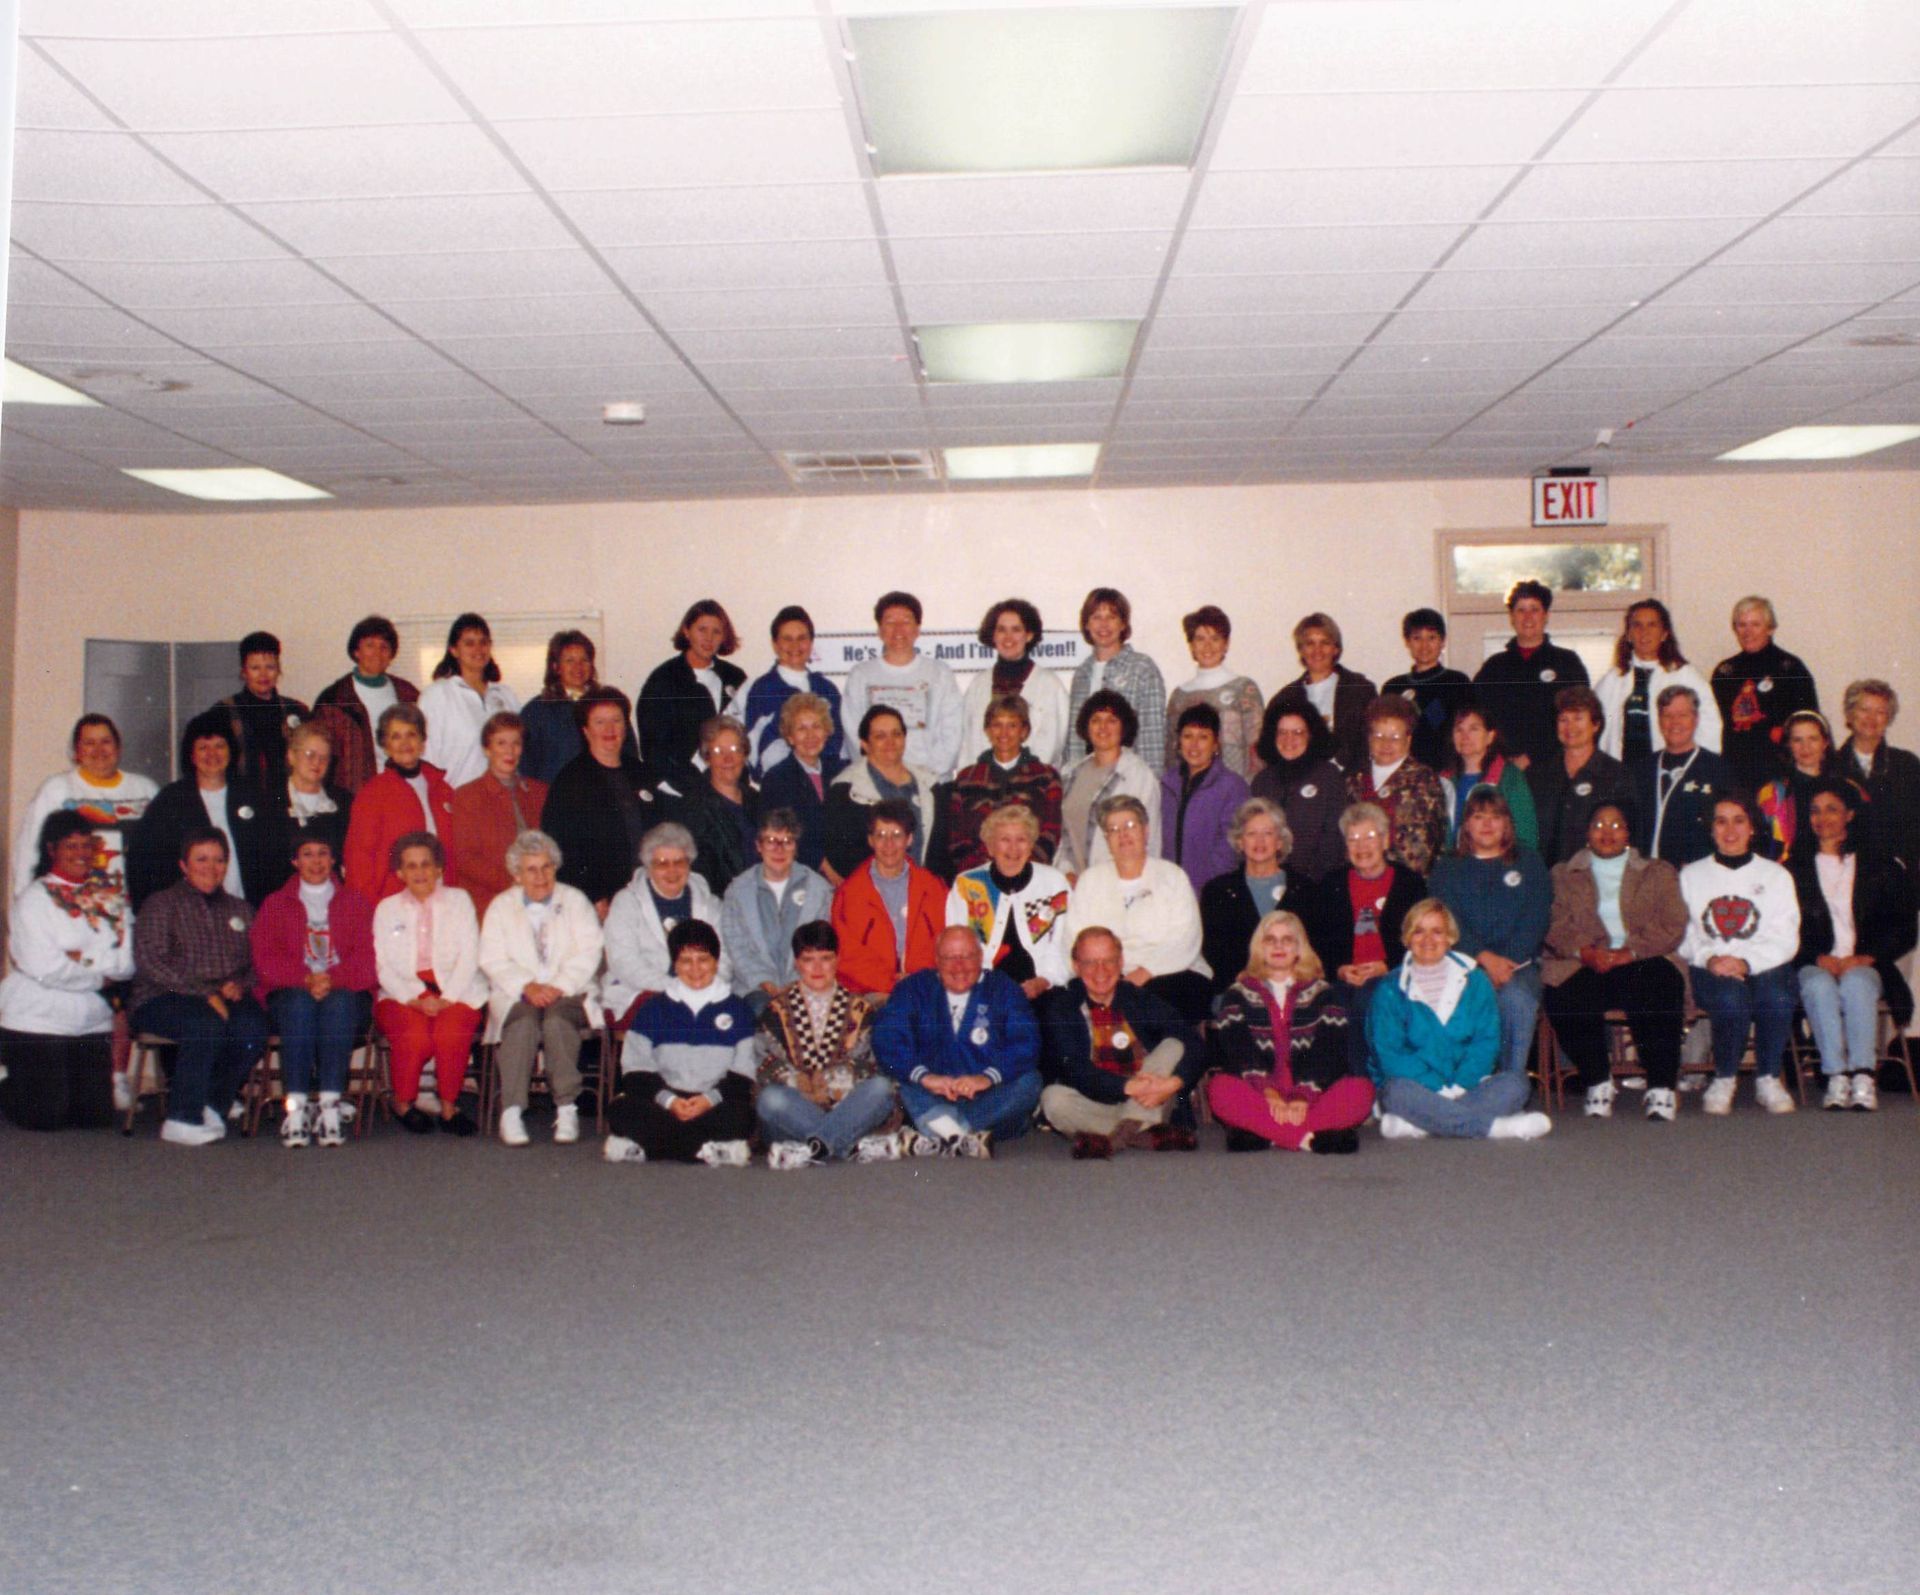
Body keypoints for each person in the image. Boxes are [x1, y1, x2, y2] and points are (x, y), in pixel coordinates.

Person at [1539, 805, 1689, 1121]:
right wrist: (1585, 951)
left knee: (1663, 983)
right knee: (1560, 993)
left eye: (1617, 825)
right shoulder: (1562, 874)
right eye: (1599, 825)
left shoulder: (1658, 871)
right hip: (1587, 962)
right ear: (1586, 832)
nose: (1607, 833)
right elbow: (1555, 923)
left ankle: (1661, 1086)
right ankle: (1598, 1080)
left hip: (1642, 957)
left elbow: (1672, 924)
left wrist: (1629, 952)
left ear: (1629, 833)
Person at [129, 827, 271, 1146]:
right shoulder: (161, 903)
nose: (211, 867)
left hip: (224, 996)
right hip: (162, 996)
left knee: (253, 1028)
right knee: (205, 1024)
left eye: (219, 860)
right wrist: (204, 993)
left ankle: (212, 1103)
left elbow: (256, 963)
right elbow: (151, 961)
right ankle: (181, 1118)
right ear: (184, 865)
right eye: (201, 859)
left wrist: (240, 984)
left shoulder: (240, 909)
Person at [1369, 899, 1550, 1141]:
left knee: (1516, 1084)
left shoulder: (1476, 981)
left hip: (1467, 1086)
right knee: (1397, 1092)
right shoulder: (1389, 988)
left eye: (1437, 931)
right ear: (1407, 938)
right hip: (1414, 1088)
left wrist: (1459, 1086)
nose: (1428, 940)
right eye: (1419, 931)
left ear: (1450, 937)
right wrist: (1437, 1088)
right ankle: (1498, 1128)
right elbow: (1390, 1054)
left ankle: (1422, 1124)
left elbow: (1486, 1044)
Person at [0, 813, 134, 1130]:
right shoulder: (34, 900)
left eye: (87, 845)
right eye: (71, 846)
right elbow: (42, 966)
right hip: (37, 1018)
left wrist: (78, 958)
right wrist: (100, 971)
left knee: (94, 1118)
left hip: (90, 1021)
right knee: (45, 1117)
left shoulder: (111, 897)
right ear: (52, 849)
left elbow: (127, 963)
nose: (81, 853)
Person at [1789, 778, 1916, 1112]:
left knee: (1857, 986)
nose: (1822, 818)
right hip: (1814, 963)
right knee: (1819, 988)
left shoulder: (1880, 867)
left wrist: (1867, 957)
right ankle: (1835, 1076)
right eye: (1815, 811)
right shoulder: (1794, 869)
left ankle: (1862, 1076)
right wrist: (1816, 957)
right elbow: (1783, 930)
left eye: (1832, 809)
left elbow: (1905, 927)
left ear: (1850, 815)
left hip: (1865, 963)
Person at [478, 829, 605, 1147]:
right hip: (517, 994)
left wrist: (559, 987)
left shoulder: (575, 900)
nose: (540, 876)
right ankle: (511, 1110)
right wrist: (526, 987)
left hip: (570, 992)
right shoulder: (500, 906)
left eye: (546, 867)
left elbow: (590, 951)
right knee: (523, 1023)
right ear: (516, 873)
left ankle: (566, 1107)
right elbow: (492, 958)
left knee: (556, 1021)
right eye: (531, 869)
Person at [1207, 911, 1371, 1154]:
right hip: (1258, 1093)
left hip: (1313, 1094)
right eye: (1270, 939)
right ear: (1259, 948)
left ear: (1299, 948)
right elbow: (1239, 1051)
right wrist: (1269, 1094)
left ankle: (1269, 1134)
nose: (1279, 946)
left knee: (1360, 1091)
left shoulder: (1325, 993)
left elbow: (1329, 1052)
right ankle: (1308, 1138)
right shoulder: (1236, 994)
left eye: (1287, 939)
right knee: (1220, 1089)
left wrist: (1303, 1097)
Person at [249, 834, 376, 1149]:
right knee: (299, 1006)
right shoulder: (275, 903)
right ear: (295, 861)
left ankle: (330, 1106)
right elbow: (264, 959)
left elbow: (368, 958)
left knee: (339, 1004)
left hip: (343, 990)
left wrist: (331, 978)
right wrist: (306, 978)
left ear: (333, 860)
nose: (316, 861)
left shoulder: (356, 902)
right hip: (292, 991)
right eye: (307, 854)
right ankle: (296, 1107)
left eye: (323, 853)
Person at [871, 926, 1044, 1156]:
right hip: (931, 1093)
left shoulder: (1004, 989)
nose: (959, 966)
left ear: (981, 957)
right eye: (950, 958)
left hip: (988, 1098)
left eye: (967, 956)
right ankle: (963, 1137)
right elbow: (887, 1038)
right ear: (936, 960)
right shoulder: (913, 988)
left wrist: (987, 1078)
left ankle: (943, 1133)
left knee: (1030, 1082)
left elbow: (1026, 1043)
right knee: (900, 1082)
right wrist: (925, 1077)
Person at [1679, 796, 1801, 1117]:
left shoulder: (1776, 876)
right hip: (1710, 966)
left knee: (1776, 995)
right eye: (1721, 821)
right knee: (1731, 998)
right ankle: (1724, 1079)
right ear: (1710, 828)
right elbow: (1684, 934)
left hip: (1764, 964)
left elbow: (1786, 937)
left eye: (1738, 820)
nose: (1730, 829)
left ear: (1752, 828)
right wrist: (1710, 958)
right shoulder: (1691, 875)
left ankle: (1768, 1078)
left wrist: (1746, 962)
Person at [603, 919, 757, 1166]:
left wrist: (708, 1100)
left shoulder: (738, 1010)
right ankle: (707, 1151)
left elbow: (743, 1075)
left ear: (716, 962)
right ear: (674, 965)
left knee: (742, 1117)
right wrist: (670, 1101)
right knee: (621, 1110)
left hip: (714, 1104)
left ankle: (651, 1148)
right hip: (665, 1102)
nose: (695, 968)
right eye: (686, 960)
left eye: (703, 959)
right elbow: (634, 1072)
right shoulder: (652, 1009)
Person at [1039, 926, 1201, 1157]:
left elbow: (1192, 1040)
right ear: (1076, 966)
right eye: (1090, 962)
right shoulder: (1062, 1007)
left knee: (1173, 1045)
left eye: (1109, 961)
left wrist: (1173, 1084)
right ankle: (1140, 1133)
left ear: (1121, 962)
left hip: (1153, 1098)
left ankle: (1114, 1139)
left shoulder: (1139, 998)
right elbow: (1075, 1069)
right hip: (1098, 1103)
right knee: (1053, 1099)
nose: (1100, 971)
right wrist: (1128, 1087)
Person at [1430, 788, 1551, 1081]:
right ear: (1465, 824)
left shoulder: (1530, 863)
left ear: (1507, 823)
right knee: (1469, 994)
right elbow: (1448, 922)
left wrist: (1505, 962)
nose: (1487, 824)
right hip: (1464, 965)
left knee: (1516, 998)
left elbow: (1536, 919)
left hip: (1519, 967)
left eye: (1495, 817)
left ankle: (1510, 1086)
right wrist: (1484, 959)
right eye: (1478, 816)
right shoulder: (1447, 869)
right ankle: (1465, 1082)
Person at [1300, 802, 1428, 1077]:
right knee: (1334, 1003)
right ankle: (1348, 1087)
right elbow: (1319, 938)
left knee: (1368, 1000)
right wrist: (1340, 968)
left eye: (1370, 837)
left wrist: (1386, 965)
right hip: (1346, 975)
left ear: (1385, 840)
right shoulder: (1331, 884)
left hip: (1396, 973)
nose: (1362, 846)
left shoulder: (1409, 884)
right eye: (1353, 838)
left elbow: (1422, 937)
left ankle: (1371, 1083)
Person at [753, 922, 895, 1167]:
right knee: (770, 1099)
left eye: (825, 958)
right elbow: (765, 1063)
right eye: (808, 959)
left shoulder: (860, 1009)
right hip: (794, 1111)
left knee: (881, 1088)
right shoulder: (775, 1010)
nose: (817, 968)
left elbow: (868, 1064)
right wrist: (799, 1083)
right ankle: (844, 1143)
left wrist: (828, 1085)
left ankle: (817, 1146)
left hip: (847, 1104)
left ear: (837, 960)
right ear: (797, 963)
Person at [371, 832, 485, 1136]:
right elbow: (383, 965)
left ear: (439, 869)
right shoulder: (386, 909)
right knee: (415, 1037)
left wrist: (447, 998)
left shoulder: (460, 900)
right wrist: (415, 997)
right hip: (402, 993)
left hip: (456, 989)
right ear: (400, 872)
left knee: (450, 1033)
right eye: (410, 866)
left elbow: (469, 955)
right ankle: (404, 1103)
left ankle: (449, 1107)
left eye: (426, 864)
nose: (419, 872)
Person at [1068, 795, 1212, 1024]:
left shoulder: (1172, 876)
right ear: (1106, 839)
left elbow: (1187, 939)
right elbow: (1075, 937)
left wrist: (1144, 972)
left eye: (1130, 826)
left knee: (1151, 1005)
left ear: (1145, 831)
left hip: (1171, 971)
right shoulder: (1090, 880)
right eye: (1114, 829)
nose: (1123, 835)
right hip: (1104, 975)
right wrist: (1105, 974)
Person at [126, 708, 274, 910]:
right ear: (192, 756)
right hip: (188, 918)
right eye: (203, 747)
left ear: (231, 752)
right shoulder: (171, 800)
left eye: (219, 746)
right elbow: (141, 862)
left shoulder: (253, 796)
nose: (212, 754)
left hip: (247, 913)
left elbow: (272, 861)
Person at [544, 685, 672, 917]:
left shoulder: (642, 773)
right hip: (600, 902)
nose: (610, 729)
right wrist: (592, 896)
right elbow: (560, 849)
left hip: (650, 892)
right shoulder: (570, 781)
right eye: (600, 722)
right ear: (585, 729)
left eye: (616, 720)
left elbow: (664, 832)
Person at [11, 713, 157, 899]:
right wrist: (25, 903)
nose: (99, 750)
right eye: (89, 743)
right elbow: (28, 852)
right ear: (77, 751)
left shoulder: (146, 789)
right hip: (73, 907)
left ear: (118, 747)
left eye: (106, 741)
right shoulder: (57, 789)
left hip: (135, 906)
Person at [601, 822, 733, 1028]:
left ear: (689, 864)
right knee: (677, 1014)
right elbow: (624, 963)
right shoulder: (626, 902)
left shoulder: (710, 904)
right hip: (643, 991)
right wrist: (677, 988)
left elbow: (724, 956)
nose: (672, 871)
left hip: (704, 989)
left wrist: (706, 985)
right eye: (662, 863)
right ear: (648, 866)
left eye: (679, 862)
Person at [946, 804, 1074, 1002]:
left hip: (1045, 987)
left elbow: (1066, 943)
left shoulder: (1054, 883)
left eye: (1021, 839)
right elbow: (957, 949)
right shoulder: (967, 885)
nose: (1013, 848)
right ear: (990, 846)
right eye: (1004, 839)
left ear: (1031, 845)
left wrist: (1044, 980)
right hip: (983, 989)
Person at [342, 703, 459, 903]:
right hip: (394, 904)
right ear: (386, 746)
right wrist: (374, 909)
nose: (405, 742)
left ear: (422, 742)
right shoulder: (372, 794)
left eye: (411, 734)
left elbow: (455, 852)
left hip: (442, 899)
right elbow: (358, 862)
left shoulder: (443, 790)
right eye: (396, 736)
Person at [841, 590, 963, 781]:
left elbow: (953, 733)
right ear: (879, 630)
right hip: (876, 782)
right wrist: (880, 773)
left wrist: (925, 775)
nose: (898, 630)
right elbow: (853, 732)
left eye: (906, 621)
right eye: (890, 622)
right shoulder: (861, 675)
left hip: (931, 782)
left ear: (917, 629)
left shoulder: (939, 673)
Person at [721, 808, 832, 1014]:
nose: (779, 849)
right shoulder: (737, 891)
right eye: (771, 840)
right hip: (754, 988)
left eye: (787, 841)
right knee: (763, 1011)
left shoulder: (820, 889)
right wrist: (764, 981)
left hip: (807, 983)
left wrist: (796, 983)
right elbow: (736, 946)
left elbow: (821, 945)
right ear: (758, 846)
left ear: (796, 847)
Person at [829, 801, 945, 998]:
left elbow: (944, 941)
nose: (888, 844)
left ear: (909, 839)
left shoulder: (933, 888)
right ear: (870, 840)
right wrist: (889, 984)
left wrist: (915, 979)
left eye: (897, 835)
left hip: (924, 987)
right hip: (870, 991)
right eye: (880, 835)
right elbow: (846, 954)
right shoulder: (850, 893)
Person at [1472, 579, 1591, 769]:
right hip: (1502, 770)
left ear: (1546, 615)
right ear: (1512, 617)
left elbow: (1582, 719)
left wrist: (1533, 756)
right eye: (1521, 610)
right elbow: (1478, 719)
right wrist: (1500, 758)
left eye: (1534, 609)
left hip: (1555, 769)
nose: (1527, 617)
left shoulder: (1567, 663)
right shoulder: (1494, 668)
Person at [942, 694, 1064, 877]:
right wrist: (982, 870)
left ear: (1024, 731)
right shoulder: (966, 779)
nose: (1004, 733)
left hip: (1032, 875)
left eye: (1012, 725)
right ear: (987, 730)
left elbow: (1051, 832)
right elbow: (956, 836)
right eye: (997, 725)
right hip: (978, 877)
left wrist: (1024, 867)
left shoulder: (1046, 777)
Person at [1711, 595, 1820, 794]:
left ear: (1770, 628)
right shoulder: (1724, 673)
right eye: (1742, 625)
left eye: (1755, 624)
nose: (1748, 632)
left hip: (1780, 775)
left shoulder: (1791, 670)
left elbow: (1809, 726)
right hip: (1735, 775)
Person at [1595, 600, 1722, 768]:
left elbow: (1710, 727)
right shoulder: (1612, 680)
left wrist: (1700, 770)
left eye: (1652, 625)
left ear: (1664, 633)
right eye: (1637, 625)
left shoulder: (1686, 677)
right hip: (1621, 774)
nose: (1644, 632)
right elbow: (1594, 729)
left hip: (1672, 771)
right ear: (1628, 634)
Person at [449, 711, 548, 924]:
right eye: (501, 743)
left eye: (516, 743)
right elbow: (465, 858)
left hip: (541, 899)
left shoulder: (540, 792)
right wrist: (514, 883)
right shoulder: (467, 796)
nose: (509, 751)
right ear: (487, 749)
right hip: (491, 905)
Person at [821, 705, 938, 879]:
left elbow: (938, 852)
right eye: (880, 736)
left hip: (922, 893)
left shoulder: (929, 785)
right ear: (864, 744)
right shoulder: (844, 790)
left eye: (896, 734)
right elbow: (837, 854)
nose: (890, 741)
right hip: (867, 896)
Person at [637, 599, 747, 782]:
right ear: (687, 631)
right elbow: (653, 748)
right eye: (702, 629)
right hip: (682, 791)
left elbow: (744, 737)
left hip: (728, 787)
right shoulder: (663, 679)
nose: (709, 638)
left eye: (716, 632)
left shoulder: (735, 677)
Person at [1058, 689, 1162, 880]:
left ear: (1124, 728)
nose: (1103, 727)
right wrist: (1067, 872)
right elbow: (1064, 835)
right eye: (1096, 720)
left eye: (1112, 720)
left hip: (1117, 882)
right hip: (1074, 884)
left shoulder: (1139, 776)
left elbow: (1151, 839)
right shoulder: (1070, 772)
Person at [310, 615, 420, 795]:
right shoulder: (334, 699)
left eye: (384, 647)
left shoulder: (409, 695)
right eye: (370, 645)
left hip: (404, 792)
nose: (377, 652)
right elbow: (318, 755)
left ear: (391, 655)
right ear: (356, 651)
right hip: (353, 796)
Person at [1200, 798, 1298, 996]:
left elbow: (1313, 947)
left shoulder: (1304, 889)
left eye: (1267, 834)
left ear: (1279, 841)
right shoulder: (1216, 891)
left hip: (1294, 988)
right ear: (1239, 841)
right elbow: (1214, 951)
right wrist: (1246, 977)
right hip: (1237, 990)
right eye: (1251, 834)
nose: (1259, 841)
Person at [1629, 686, 1735, 867]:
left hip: (1695, 876)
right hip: (1645, 875)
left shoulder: (1718, 769)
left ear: (1696, 719)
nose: (1674, 723)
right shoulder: (1641, 770)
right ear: (1659, 721)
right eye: (1667, 716)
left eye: (1682, 715)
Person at [1527, 686, 1634, 865]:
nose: (1570, 727)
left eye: (1578, 718)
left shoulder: (1617, 776)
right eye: (1563, 719)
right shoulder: (1536, 776)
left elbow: (1630, 836)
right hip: (1544, 878)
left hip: (1594, 880)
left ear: (1595, 724)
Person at [960, 598, 1070, 770]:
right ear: (993, 635)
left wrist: (1020, 780)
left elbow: (1052, 746)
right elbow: (967, 744)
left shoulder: (1049, 685)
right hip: (982, 787)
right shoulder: (978, 685)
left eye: (1016, 630)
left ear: (1029, 635)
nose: (1008, 637)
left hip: (1033, 786)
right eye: (1001, 630)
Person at [1343, 696, 1446, 876]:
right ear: (1369, 738)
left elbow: (1423, 847)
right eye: (1379, 735)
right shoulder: (1354, 779)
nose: (1386, 744)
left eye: (1395, 737)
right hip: (1357, 876)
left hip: (1404, 880)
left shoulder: (1423, 779)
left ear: (1408, 740)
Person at [1066, 587, 1168, 767]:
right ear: (1087, 624)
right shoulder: (1082, 674)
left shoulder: (1142, 669)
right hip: (1089, 778)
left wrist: (1148, 788)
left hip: (1129, 780)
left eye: (1111, 617)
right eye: (1096, 617)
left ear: (1123, 624)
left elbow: (1153, 740)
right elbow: (1076, 740)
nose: (1103, 625)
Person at [420, 612, 521, 790]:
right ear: (454, 650)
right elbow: (427, 760)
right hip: (457, 801)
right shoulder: (437, 695)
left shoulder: (506, 695)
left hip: (503, 800)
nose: (478, 649)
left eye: (483, 642)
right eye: (469, 643)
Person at [520, 629, 636, 784]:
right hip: (557, 797)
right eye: (569, 661)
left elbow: (630, 755)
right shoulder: (536, 711)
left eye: (584, 660)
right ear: (556, 667)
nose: (578, 667)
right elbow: (524, 766)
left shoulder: (610, 706)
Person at [743, 605, 846, 777]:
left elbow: (840, 744)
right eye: (787, 638)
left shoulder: (827, 689)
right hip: (781, 785)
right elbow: (754, 746)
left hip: (825, 784)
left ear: (811, 642)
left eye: (802, 638)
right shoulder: (762, 688)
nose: (795, 645)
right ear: (775, 644)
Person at [1249, 700, 1346, 883]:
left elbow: (1334, 840)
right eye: (1282, 733)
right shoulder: (1262, 781)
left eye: (1297, 733)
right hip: (1269, 880)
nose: (1289, 740)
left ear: (1311, 736)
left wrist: (1306, 883)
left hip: (1317, 883)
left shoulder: (1328, 777)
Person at [1268, 612, 1376, 773]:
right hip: (1299, 780)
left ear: (1335, 648)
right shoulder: (1284, 698)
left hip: (1351, 782)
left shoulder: (1360, 690)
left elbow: (1371, 742)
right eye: (1310, 643)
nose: (1317, 650)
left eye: (1324, 643)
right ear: (1301, 650)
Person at [1163, 605, 1264, 779]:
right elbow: (1172, 756)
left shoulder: (1244, 689)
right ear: (1191, 645)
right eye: (1200, 639)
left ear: (1226, 644)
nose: (1207, 646)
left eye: (1215, 638)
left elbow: (1258, 749)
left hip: (1237, 791)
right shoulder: (1179, 696)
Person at [1160, 702, 1250, 895]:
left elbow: (1229, 850)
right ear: (1178, 741)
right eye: (1187, 736)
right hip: (1169, 892)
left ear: (1216, 743)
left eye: (1203, 737)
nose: (1194, 745)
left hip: (1212, 893)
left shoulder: (1232, 787)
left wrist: (1204, 892)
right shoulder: (1166, 783)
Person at [757, 692, 847, 878]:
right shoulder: (776, 779)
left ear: (826, 731)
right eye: (801, 729)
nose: (810, 735)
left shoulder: (841, 772)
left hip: (843, 871)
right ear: (790, 737)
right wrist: (830, 873)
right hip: (800, 875)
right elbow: (786, 836)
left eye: (816, 726)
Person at [1837, 678, 1920, 875]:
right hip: (1845, 875)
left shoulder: (1906, 764)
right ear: (1850, 714)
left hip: (1897, 876)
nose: (1871, 718)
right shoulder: (1832, 766)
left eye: (1880, 711)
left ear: (1888, 718)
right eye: (1864, 709)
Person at [1757, 710, 1859, 863]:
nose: (1806, 747)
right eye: (1798, 740)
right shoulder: (1773, 793)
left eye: (1813, 739)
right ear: (1789, 745)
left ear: (1825, 743)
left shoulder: (1848, 788)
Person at [1438, 699, 1538, 854]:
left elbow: (1526, 838)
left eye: (1474, 729)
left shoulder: (1510, 778)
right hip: (1451, 871)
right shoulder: (1443, 781)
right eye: (1459, 730)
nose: (1465, 736)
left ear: (1490, 736)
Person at [216, 629, 311, 792]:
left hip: (289, 799)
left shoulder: (297, 711)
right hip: (241, 799)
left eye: (270, 667)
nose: (263, 675)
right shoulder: (223, 712)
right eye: (255, 668)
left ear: (279, 670)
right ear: (244, 672)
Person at [678, 716, 760, 896]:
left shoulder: (757, 800)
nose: (728, 759)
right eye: (718, 751)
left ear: (744, 754)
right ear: (707, 758)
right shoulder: (694, 808)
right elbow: (698, 875)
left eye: (734, 749)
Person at [1382, 608, 1471, 771]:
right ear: (1407, 642)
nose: (1424, 645)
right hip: (1403, 772)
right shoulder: (1394, 687)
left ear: (1442, 641)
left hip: (1447, 771)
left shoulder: (1457, 682)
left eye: (1431, 638)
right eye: (1417, 638)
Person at [269, 721, 354, 890]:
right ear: (291, 756)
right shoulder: (269, 802)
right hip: (284, 902)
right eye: (310, 754)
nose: (317, 762)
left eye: (324, 757)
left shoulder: (344, 802)